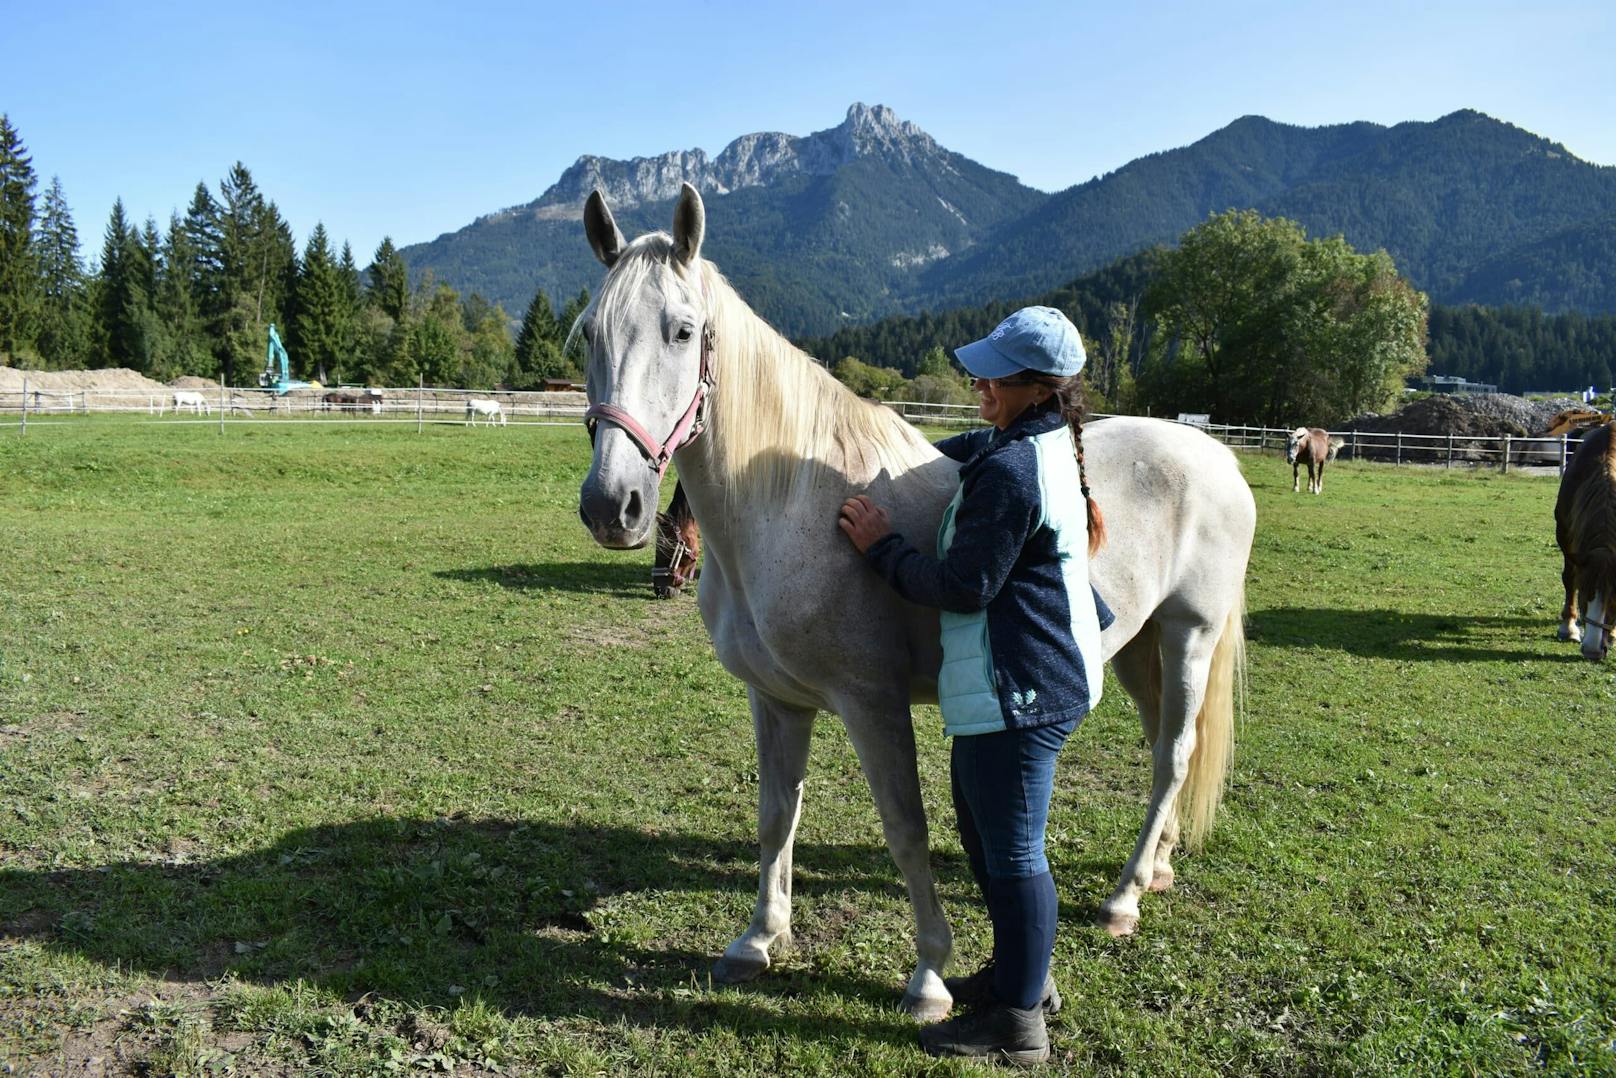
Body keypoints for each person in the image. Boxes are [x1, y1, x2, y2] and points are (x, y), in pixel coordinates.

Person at [838, 306, 1113, 1065]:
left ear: (1037, 387)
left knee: (1016, 851)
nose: (978, 382)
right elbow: (964, 450)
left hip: (1021, 687)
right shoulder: (1026, 441)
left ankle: (1019, 1022)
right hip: (1013, 683)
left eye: (995, 373)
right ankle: (1023, 979)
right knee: (985, 834)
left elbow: (964, 586)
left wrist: (880, 545)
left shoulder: (1015, 471)